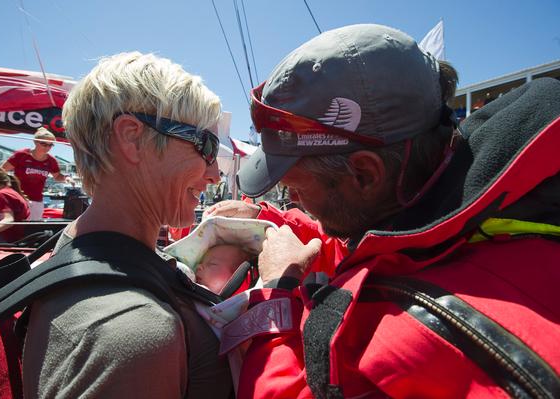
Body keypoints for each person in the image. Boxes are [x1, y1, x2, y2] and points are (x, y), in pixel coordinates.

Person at [206, 24, 560, 398]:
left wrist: (277, 291)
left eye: (295, 187)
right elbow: (385, 242)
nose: (292, 197)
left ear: (364, 173)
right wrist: (272, 219)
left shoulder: (422, 338)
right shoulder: (473, 188)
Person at [22, 52, 233, 398]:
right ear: (132, 138)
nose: (214, 174)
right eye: (205, 146)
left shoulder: (76, 246)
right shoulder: (135, 331)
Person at [1, 127, 70, 220]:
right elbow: (2, 171)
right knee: (15, 229)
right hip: (17, 199)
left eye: (50, 145)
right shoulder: (22, 155)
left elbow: (57, 176)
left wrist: (67, 178)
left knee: (32, 230)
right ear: (35, 142)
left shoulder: (51, 161)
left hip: (37, 201)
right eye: (44, 144)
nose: (47, 147)